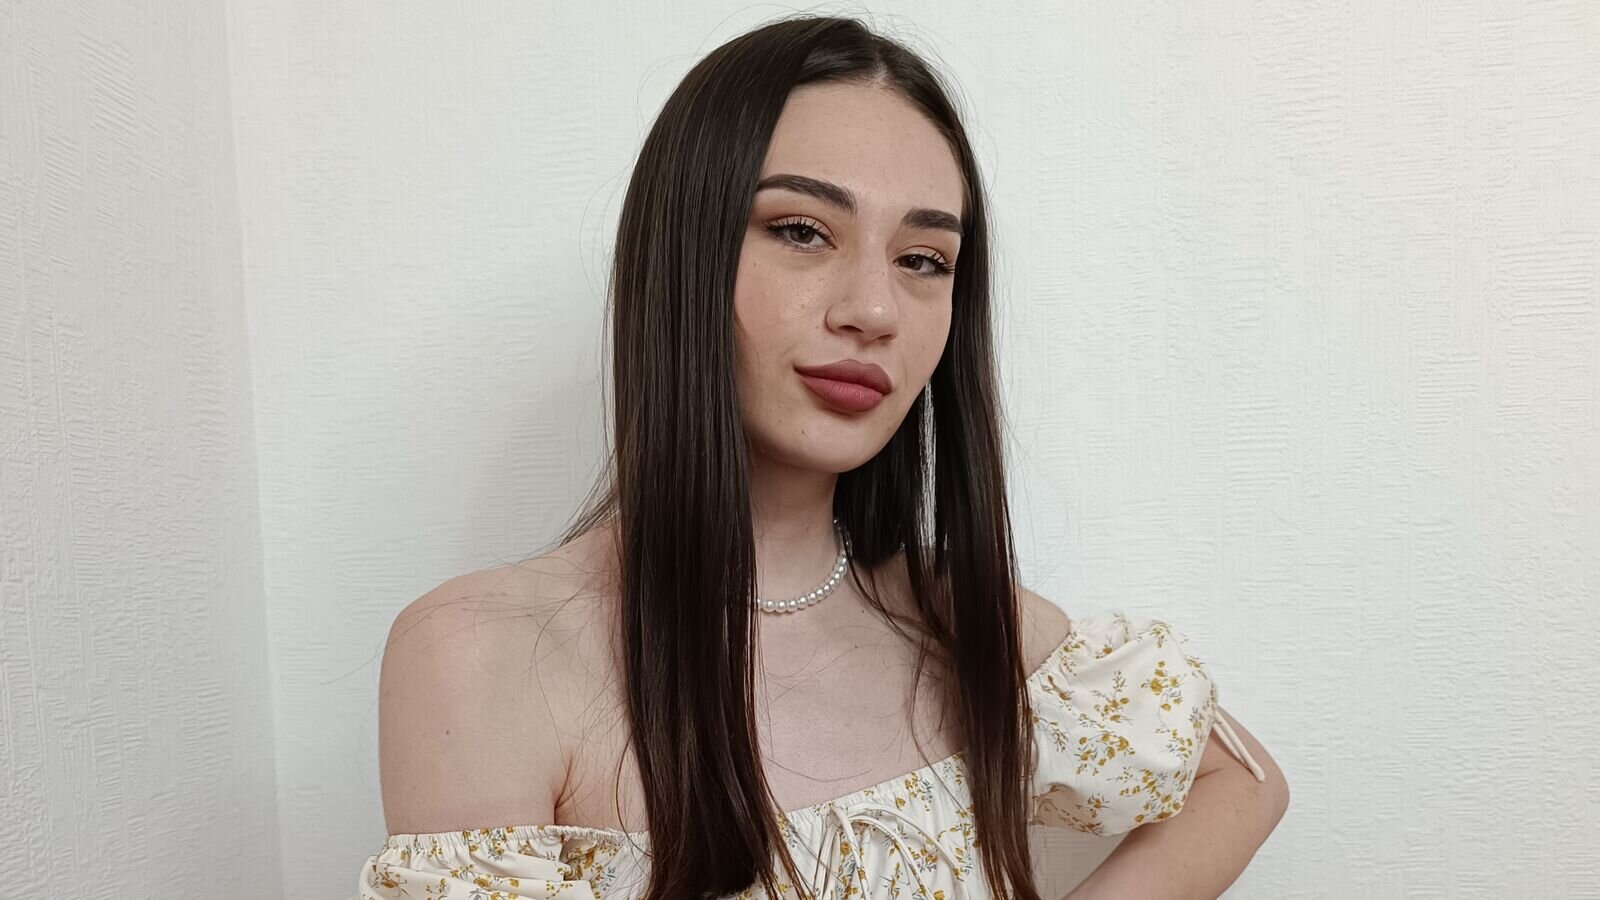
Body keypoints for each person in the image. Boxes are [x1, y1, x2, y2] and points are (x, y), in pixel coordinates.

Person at [356, 14, 1288, 900]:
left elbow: (1242, 783)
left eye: (924, 259)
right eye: (802, 231)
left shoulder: (958, 618)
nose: (874, 311)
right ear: (683, 252)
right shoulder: (487, 656)